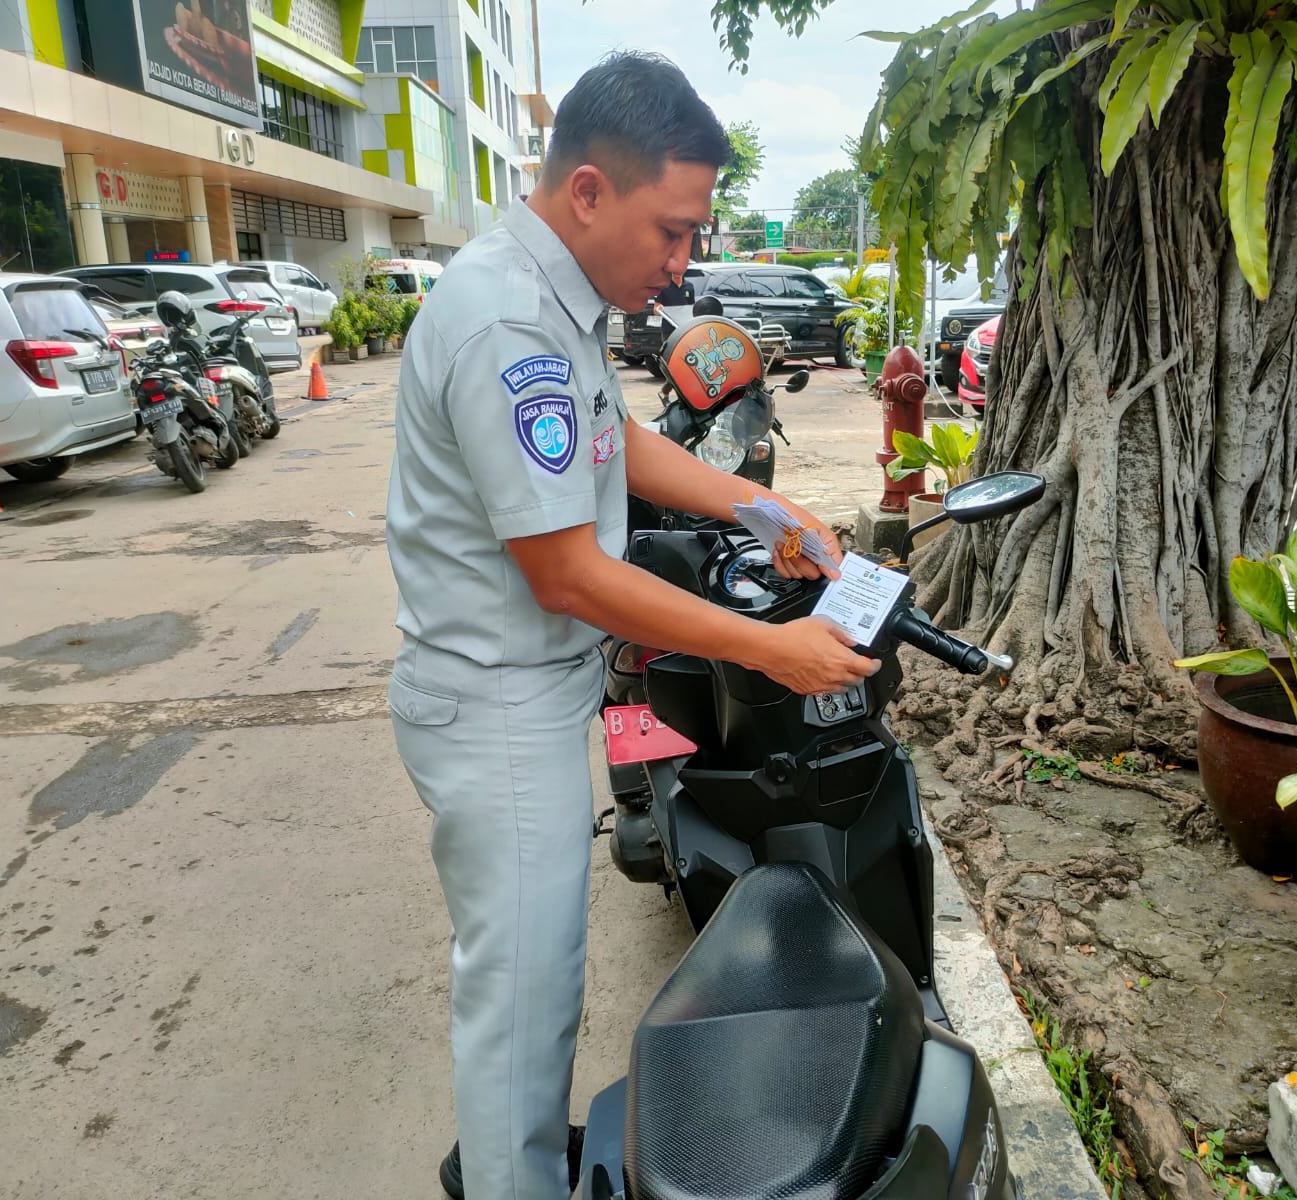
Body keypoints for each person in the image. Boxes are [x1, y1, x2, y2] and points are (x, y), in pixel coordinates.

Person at [384, 51, 879, 1200]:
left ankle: (515, 1164)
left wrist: (765, 507)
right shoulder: (509, 322)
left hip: (525, 688)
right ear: (589, 191)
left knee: (532, 981)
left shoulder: (552, 294)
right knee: (523, 1000)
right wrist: (771, 647)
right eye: (671, 229)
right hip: (496, 702)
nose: (683, 259)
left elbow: (620, 441)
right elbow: (569, 573)